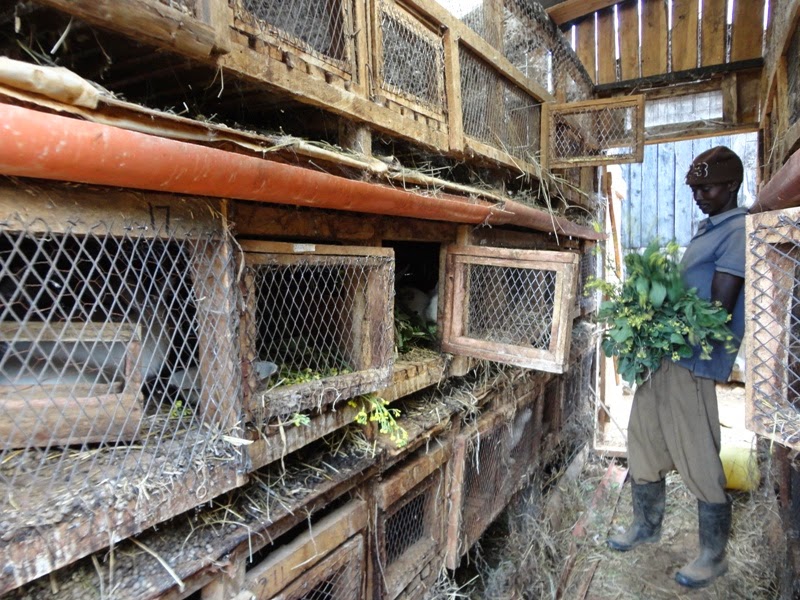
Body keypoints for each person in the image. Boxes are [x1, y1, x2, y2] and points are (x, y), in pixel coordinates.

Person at [606, 146, 747, 589]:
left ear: (732, 186)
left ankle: (712, 555)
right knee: (643, 434)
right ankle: (646, 526)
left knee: (695, 447)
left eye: (707, 187)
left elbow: (719, 306)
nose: (700, 195)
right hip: (668, 351)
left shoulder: (738, 230)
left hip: (697, 355)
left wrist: (667, 315)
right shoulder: (708, 228)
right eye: (695, 188)